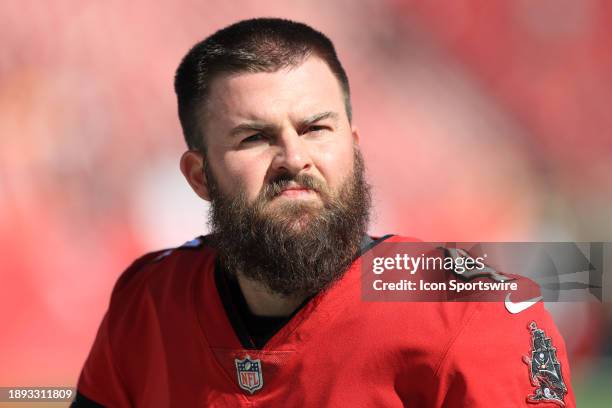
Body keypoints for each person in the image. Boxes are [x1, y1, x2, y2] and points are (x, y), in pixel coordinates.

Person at [72, 18, 576, 407]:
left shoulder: (468, 313)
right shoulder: (148, 305)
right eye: (254, 137)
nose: (294, 158)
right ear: (200, 177)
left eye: (315, 128)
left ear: (354, 149)